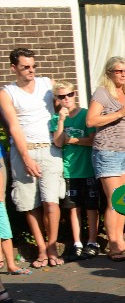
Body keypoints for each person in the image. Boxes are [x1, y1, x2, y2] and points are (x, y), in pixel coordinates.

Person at [0, 48, 65, 268]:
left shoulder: (48, 84)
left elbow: (65, 102)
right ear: (13, 68)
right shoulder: (7, 93)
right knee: (30, 203)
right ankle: (41, 249)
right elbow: (14, 127)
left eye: (33, 66)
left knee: (51, 202)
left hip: (49, 149)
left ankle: (53, 246)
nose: (31, 71)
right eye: (25, 67)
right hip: (23, 152)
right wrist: (26, 157)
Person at [86, 56, 125, 261]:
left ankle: (121, 241)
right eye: (118, 71)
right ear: (109, 73)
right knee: (114, 200)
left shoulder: (124, 94)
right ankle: (113, 245)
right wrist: (119, 113)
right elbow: (91, 120)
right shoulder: (102, 92)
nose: (123, 74)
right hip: (107, 151)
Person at [49, 81, 100, 260]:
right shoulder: (56, 119)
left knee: (91, 207)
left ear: (74, 94)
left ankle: (92, 241)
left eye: (69, 95)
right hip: (70, 170)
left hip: (88, 168)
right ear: (57, 99)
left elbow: (92, 139)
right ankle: (77, 243)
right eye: (62, 96)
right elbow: (57, 141)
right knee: (73, 207)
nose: (67, 99)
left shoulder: (85, 114)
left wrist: (71, 140)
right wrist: (62, 120)